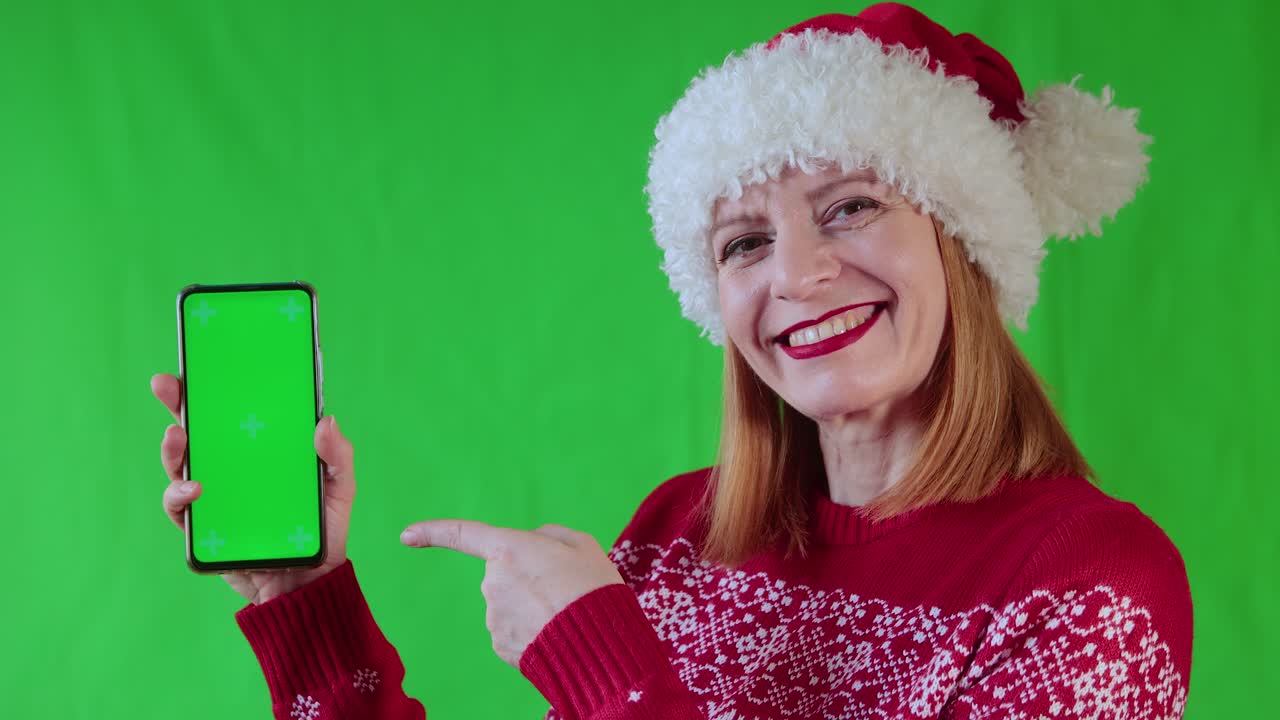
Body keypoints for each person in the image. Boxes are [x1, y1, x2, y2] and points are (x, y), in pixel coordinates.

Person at [152, 4, 1193, 718]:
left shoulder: (1093, 589)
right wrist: (306, 602)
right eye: (744, 241)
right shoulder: (675, 536)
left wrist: (597, 659)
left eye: (849, 208)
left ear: (961, 242)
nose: (798, 273)